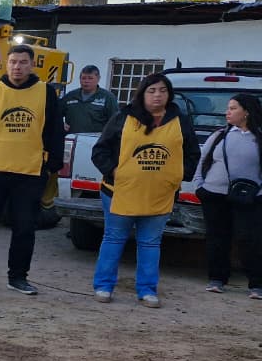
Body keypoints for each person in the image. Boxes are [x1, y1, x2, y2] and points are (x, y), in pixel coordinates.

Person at [0, 44, 65, 294]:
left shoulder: (46, 93)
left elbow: (55, 131)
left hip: (29, 173)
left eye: (23, 62)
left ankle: (18, 277)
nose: (17, 67)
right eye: (13, 62)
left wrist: (51, 166)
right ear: (7, 64)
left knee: (25, 228)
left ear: (32, 65)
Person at [91, 73, 200, 307]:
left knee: (150, 243)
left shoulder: (180, 121)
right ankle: (103, 286)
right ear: (142, 94)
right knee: (114, 239)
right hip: (119, 192)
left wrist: (177, 176)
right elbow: (100, 151)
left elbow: (192, 153)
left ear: (169, 94)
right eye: (152, 91)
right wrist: (114, 172)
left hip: (160, 195)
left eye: (162, 90)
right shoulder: (123, 117)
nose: (157, 95)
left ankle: (147, 290)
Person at [192, 93, 262, 298]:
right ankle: (217, 279)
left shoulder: (258, 137)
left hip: (248, 198)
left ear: (246, 112)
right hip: (214, 194)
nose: (227, 112)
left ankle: (256, 284)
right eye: (228, 108)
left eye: (232, 108)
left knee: (250, 239)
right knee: (217, 238)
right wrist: (199, 186)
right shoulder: (220, 135)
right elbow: (202, 161)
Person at [61, 64, 119, 135]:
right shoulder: (70, 96)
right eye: (83, 78)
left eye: (90, 78)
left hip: (96, 139)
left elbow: (116, 122)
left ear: (98, 79)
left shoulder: (108, 97)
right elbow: (55, 113)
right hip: (72, 138)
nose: (86, 81)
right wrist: (60, 123)